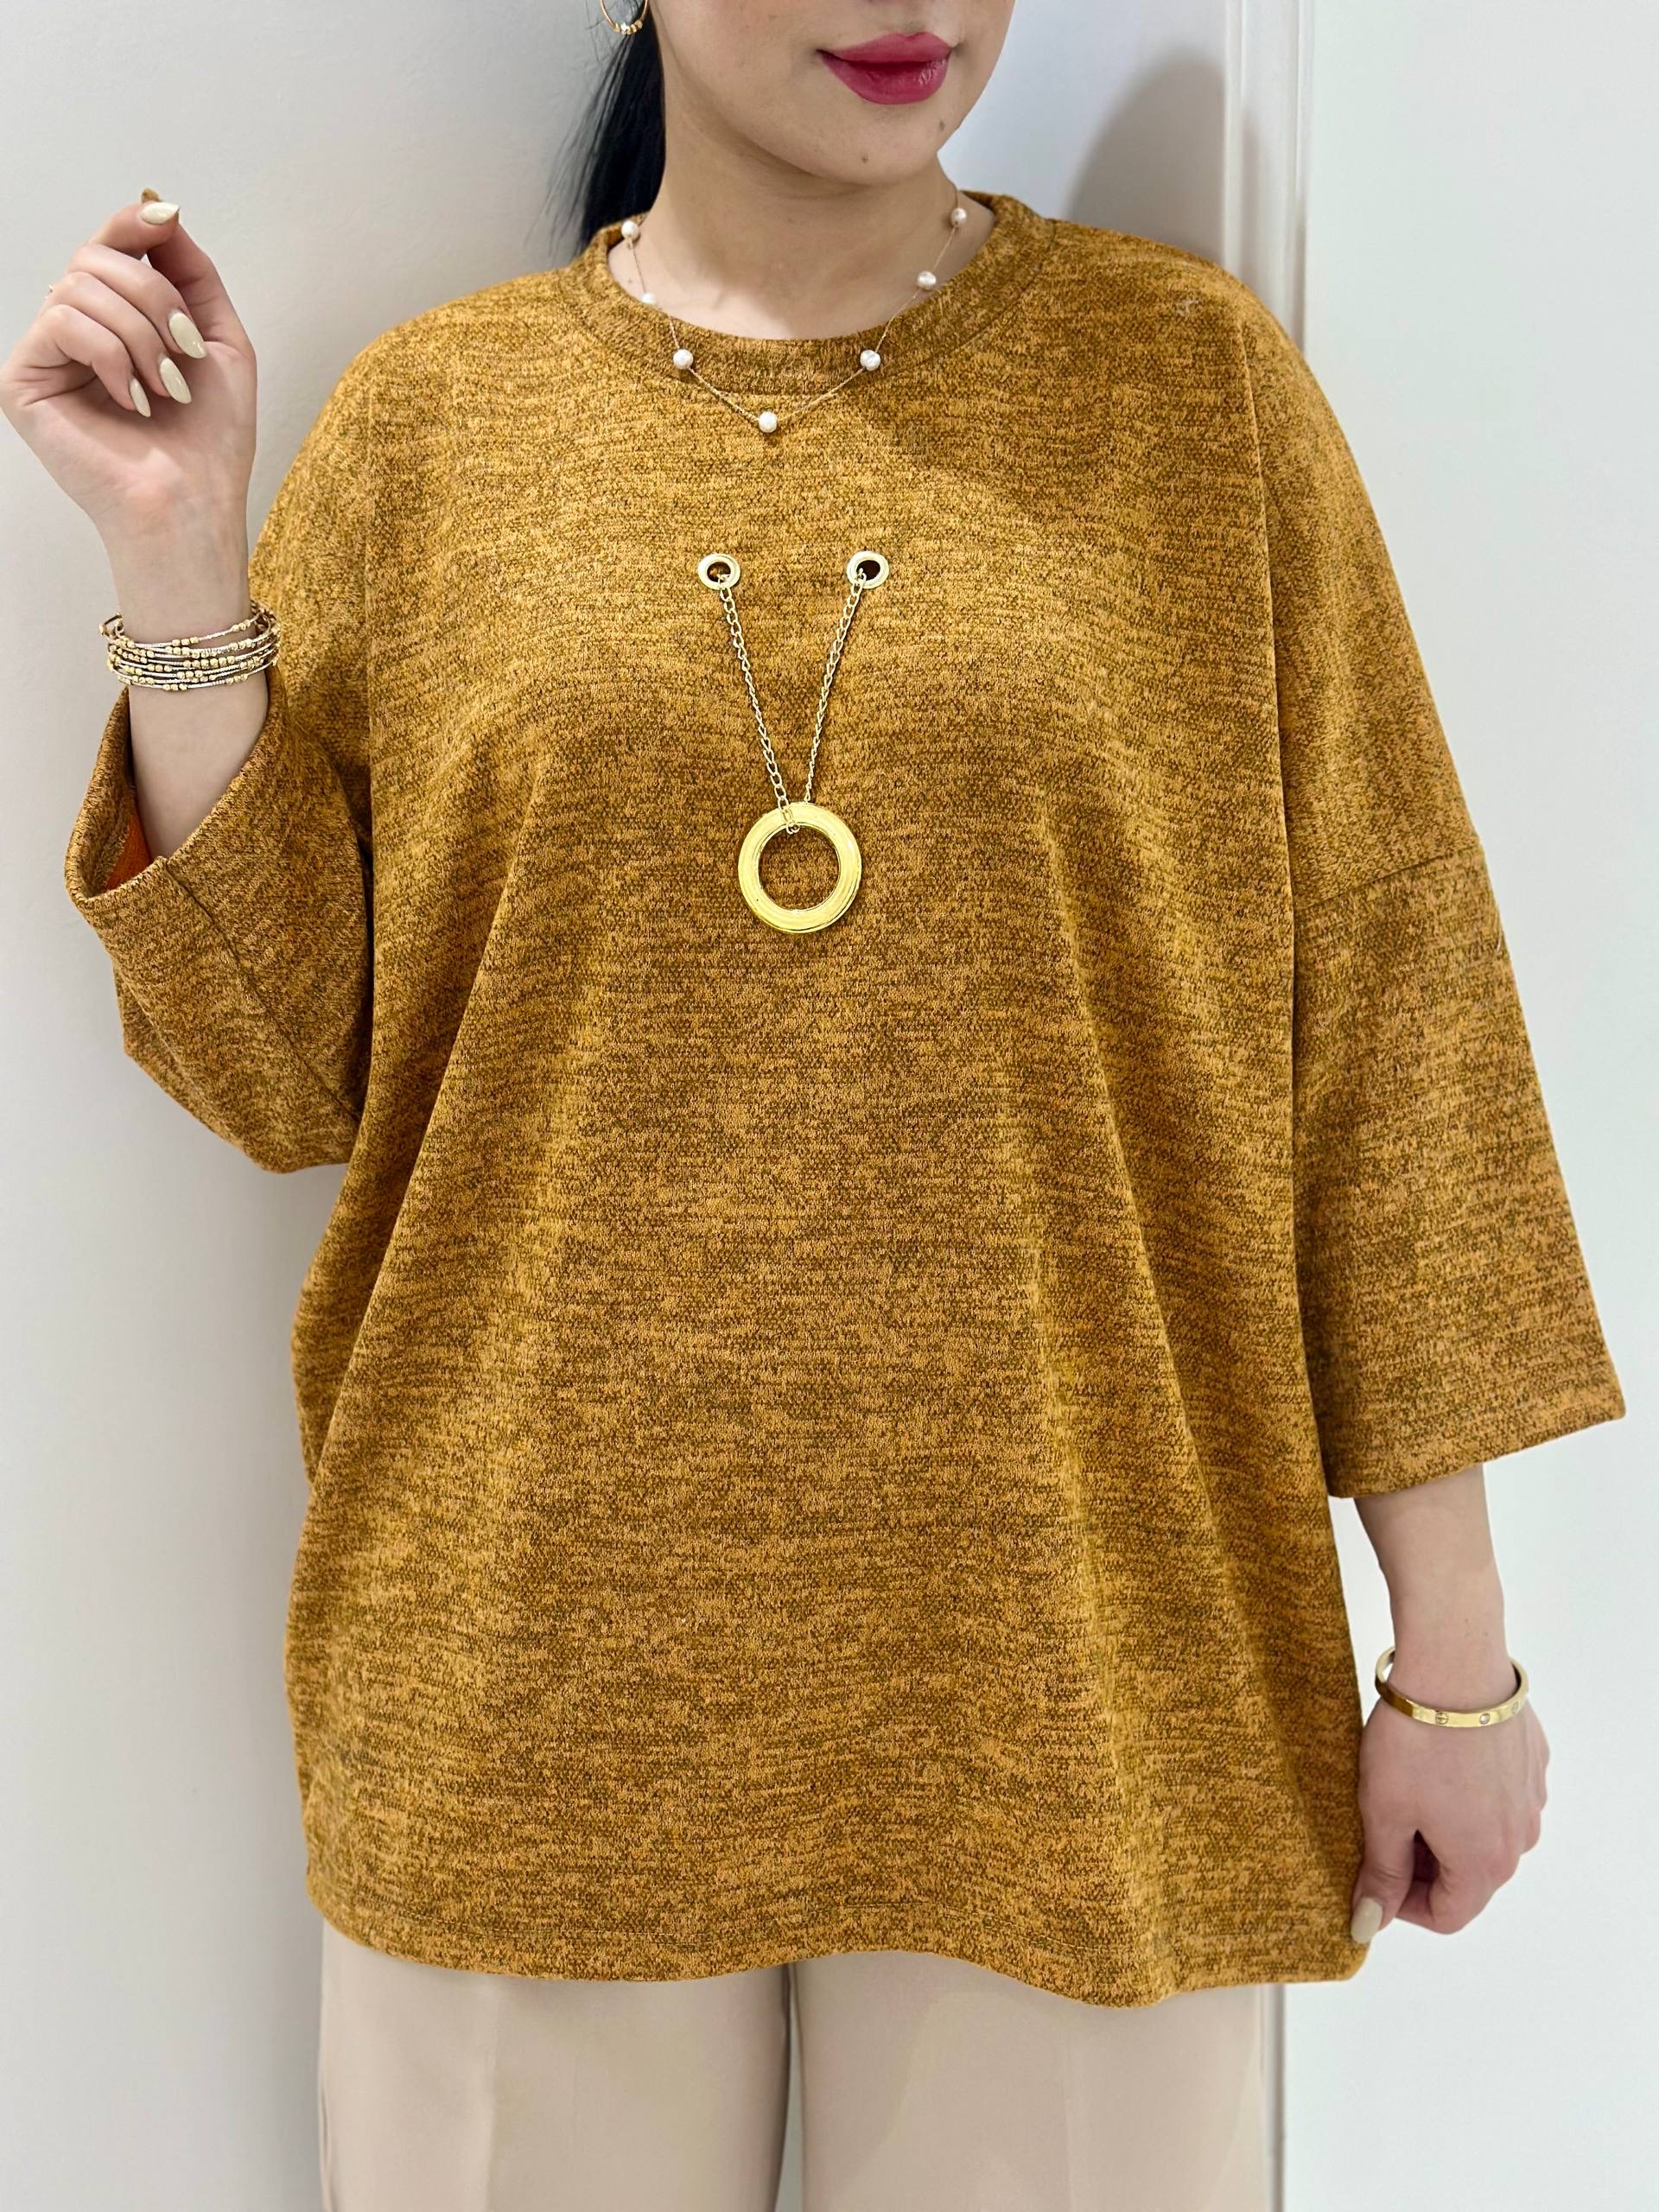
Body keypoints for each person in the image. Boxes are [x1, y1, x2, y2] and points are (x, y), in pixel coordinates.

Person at [4, 3, 1625, 2206]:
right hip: (530, 1670)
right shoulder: (435, 427)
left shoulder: (1191, 392)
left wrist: (1456, 1657)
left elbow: (1388, 1018)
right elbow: (282, 1071)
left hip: (1093, 1669)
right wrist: (182, 565)